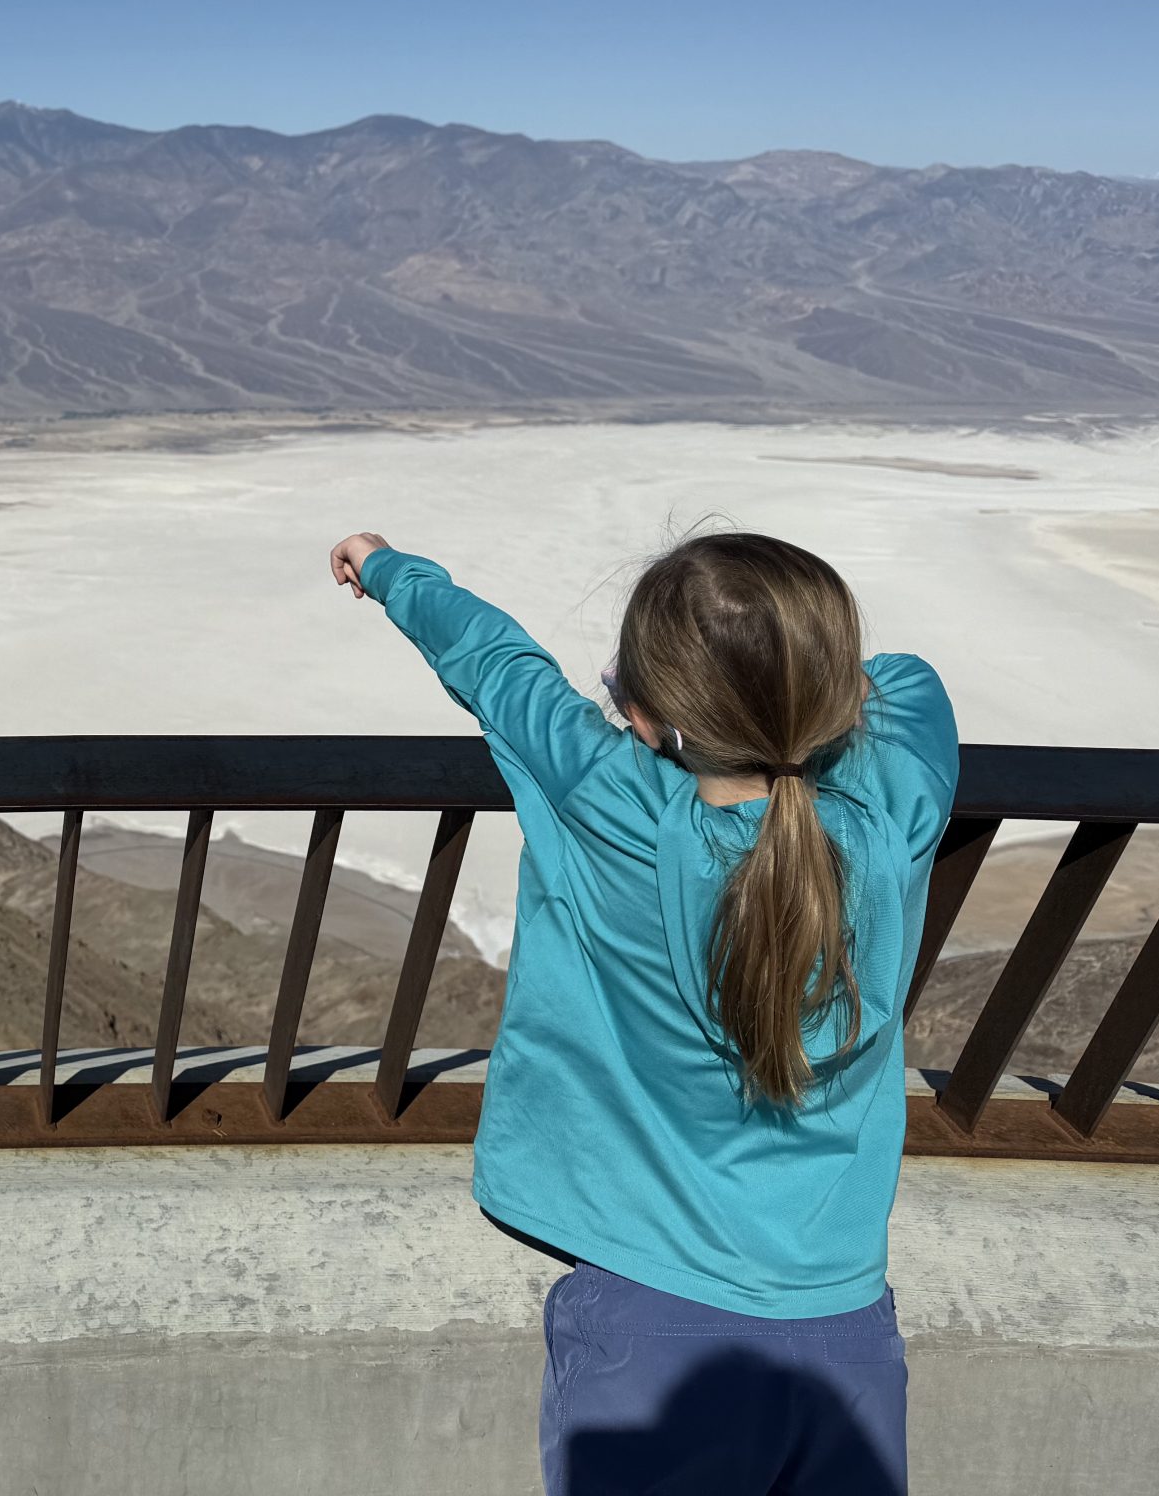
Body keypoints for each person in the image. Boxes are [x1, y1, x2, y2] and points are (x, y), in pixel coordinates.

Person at [328, 527, 958, 1496]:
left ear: (651, 718)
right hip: (843, 1332)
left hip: (647, 1324)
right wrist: (790, 685)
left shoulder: (609, 800)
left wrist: (382, 566)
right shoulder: (894, 821)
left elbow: (495, 661)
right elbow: (910, 683)